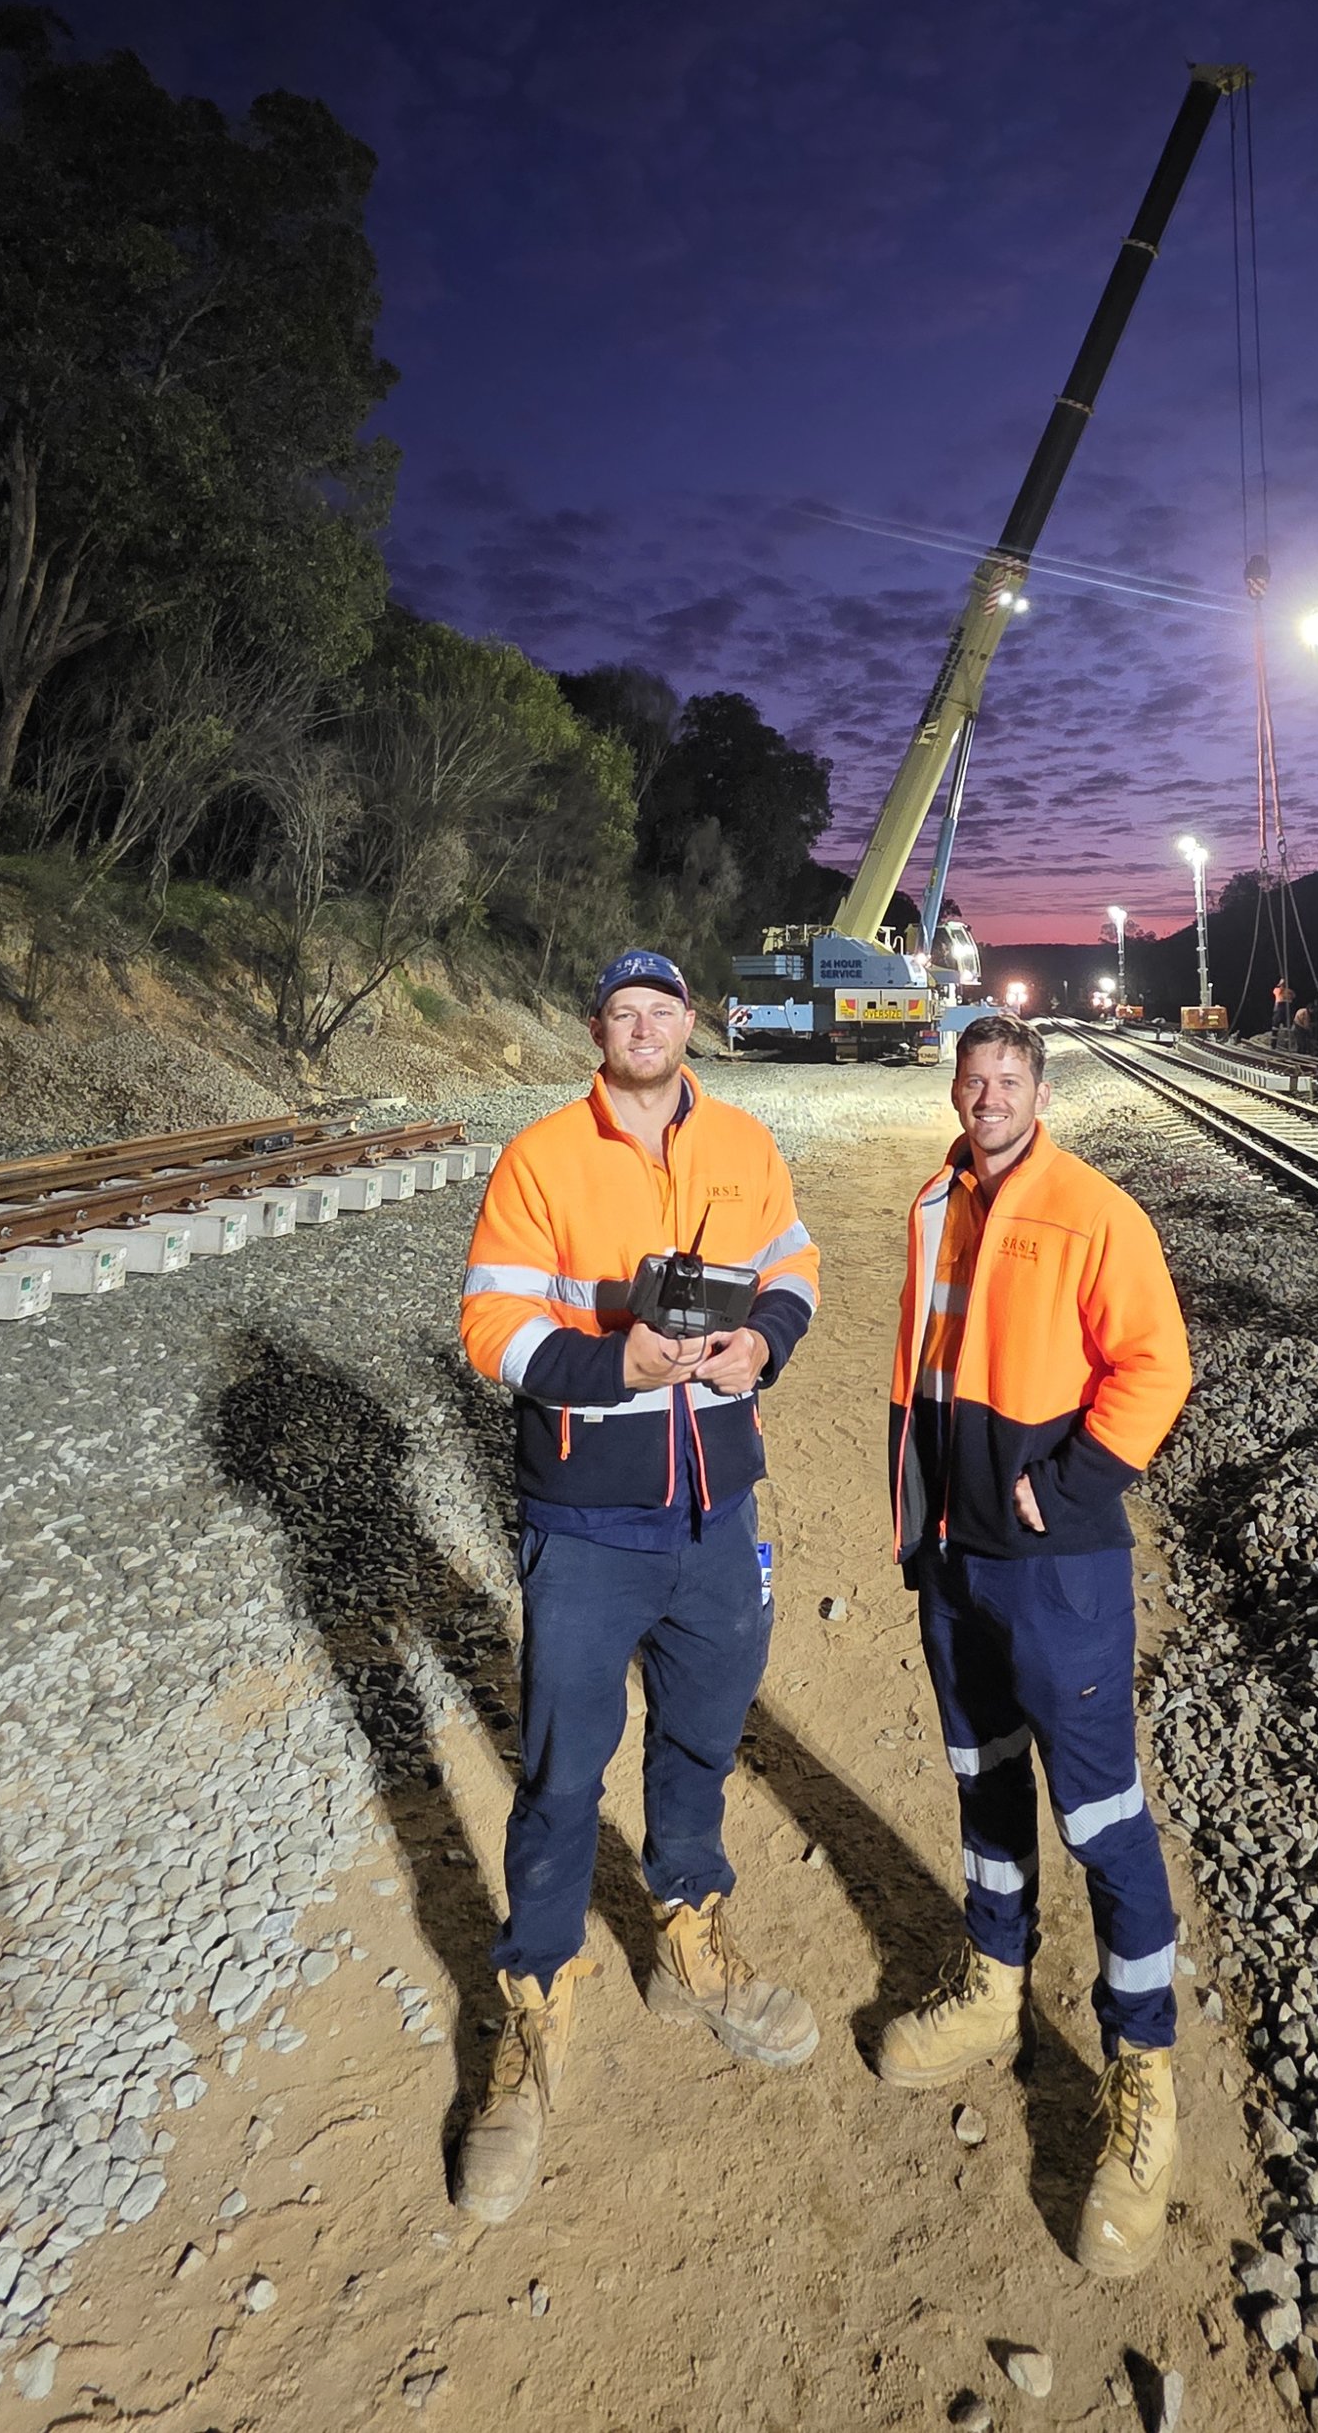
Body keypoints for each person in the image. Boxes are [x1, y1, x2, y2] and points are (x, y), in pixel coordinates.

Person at [451, 948, 822, 2222]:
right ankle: (534, 2007)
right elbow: (491, 1326)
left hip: (718, 1507)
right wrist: (618, 1363)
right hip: (589, 1518)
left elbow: (796, 1270)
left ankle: (688, 1932)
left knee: (703, 1738)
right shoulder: (543, 1157)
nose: (646, 1029)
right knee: (560, 1770)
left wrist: (758, 1343)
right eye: (625, 1011)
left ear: (688, 1029)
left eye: (664, 1010)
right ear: (599, 1030)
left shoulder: (746, 1144)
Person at [878, 1013, 1194, 2277]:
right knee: (983, 1779)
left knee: (1102, 1812)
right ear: (956, 1092)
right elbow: (925, 1367)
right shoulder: (934, 1203)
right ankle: (994, 1981)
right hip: (951, 1558)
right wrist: (917, 1519)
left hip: (1054, 1568)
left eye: (1007, 1081)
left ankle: (1144, 2076)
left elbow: (1155, 1366)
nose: (987, 1098)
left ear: (1038, 1091)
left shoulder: (1094, 1209)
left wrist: (1064, 1489)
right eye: (972, 1081)